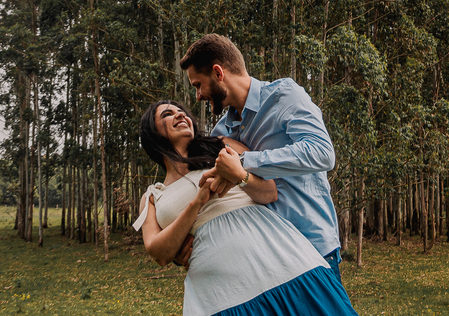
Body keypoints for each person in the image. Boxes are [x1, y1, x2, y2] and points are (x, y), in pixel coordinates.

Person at [134, 100, 357, 316]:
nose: (180, 114)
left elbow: (269, 192)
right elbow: (159, 253)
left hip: (279, 260)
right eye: (167, 114)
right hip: (220, 294)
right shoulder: (153, 197)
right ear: (152, 133)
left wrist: (240, 176)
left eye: (181, 111)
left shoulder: (221, 147)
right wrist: (197, 203)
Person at [180, 34, 343, 282]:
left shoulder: (283, 95)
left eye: (198, 85)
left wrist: (245, 162)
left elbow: (322, 153)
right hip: (264, 262)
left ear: (218, 73)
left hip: (313, 248)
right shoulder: (220, 133)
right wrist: (188, 243)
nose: (198, 96)